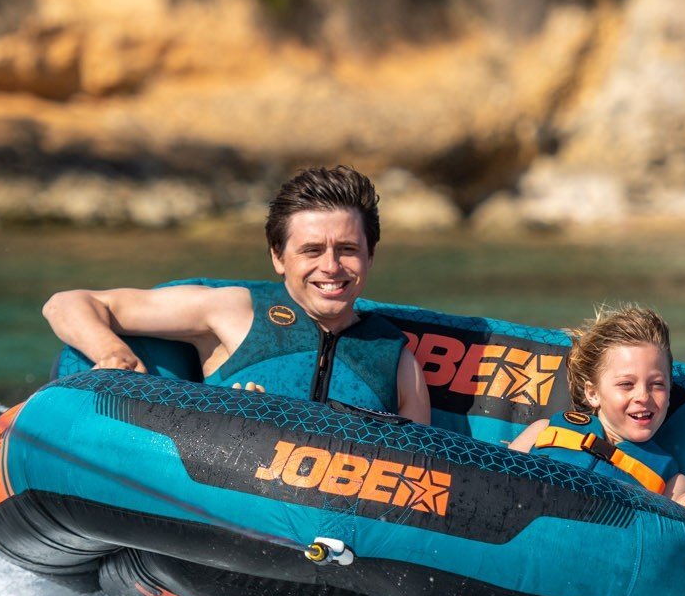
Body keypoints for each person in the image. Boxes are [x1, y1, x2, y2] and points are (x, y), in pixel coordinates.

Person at [41, 165, 431, 423]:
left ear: (370, 256)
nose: (330, 267)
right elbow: (69, 304)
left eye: (347, 250)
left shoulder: (396, 361)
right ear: (278, 258)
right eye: (311, 251)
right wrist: (116, 357)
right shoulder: (233, 310)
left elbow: (423, 469)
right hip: (219, 503)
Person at [509, 303, 685, 517]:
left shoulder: (673, 484)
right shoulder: (542, 431)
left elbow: (671, 538)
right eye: (626, 384)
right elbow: (493, 481)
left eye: (657, 384)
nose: (643, 396)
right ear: (593, 393)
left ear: (670, 392)